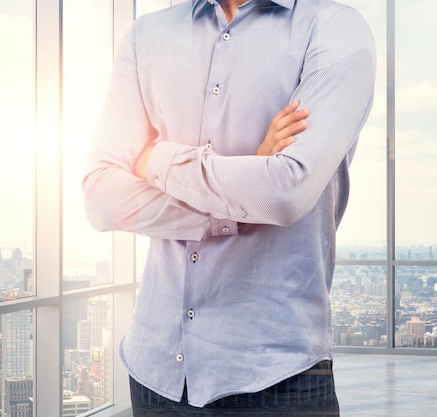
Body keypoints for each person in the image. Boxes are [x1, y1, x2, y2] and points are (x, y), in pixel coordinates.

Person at [82, 0, 375, 415]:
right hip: (155, 374)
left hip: (276, 378)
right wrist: (242, 195)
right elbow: (100, 196)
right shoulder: (145, 36)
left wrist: (155, 160)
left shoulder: (333, 29)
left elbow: (284, 193)